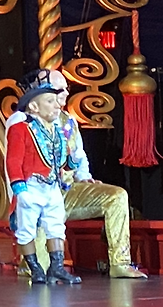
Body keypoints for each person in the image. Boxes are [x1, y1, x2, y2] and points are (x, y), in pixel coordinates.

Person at [12, 72, 146, 279]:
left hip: (66, 190)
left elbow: (78, 155)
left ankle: (120, 263)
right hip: (37, 193)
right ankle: (31, 264)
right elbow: (13, 162)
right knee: (37, 270)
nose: (65, 93)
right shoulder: (22, 122)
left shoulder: (67, 122)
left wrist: (84, 176)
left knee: (117, 196)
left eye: (66, 88)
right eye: (59, 89)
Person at [6, 75, 83, 285]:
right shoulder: (20, 129)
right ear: (34, 106)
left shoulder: (57, 131)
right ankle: (35, 268)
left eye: (55, 101)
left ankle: (56, 268)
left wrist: (74, 159)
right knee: (27, 229)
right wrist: (19, 189)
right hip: (31, 186)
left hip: (52, 186)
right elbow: (13, 161)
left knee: (56, 226)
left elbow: (63, 162)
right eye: (49, 101)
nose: (56, 106)